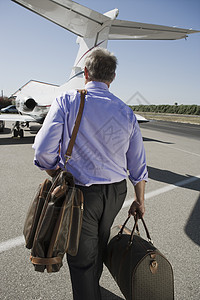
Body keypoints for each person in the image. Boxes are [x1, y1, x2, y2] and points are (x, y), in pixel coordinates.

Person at [33, 48, 148, 300]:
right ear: (113, 77)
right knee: (96, 246)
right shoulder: (126, 111)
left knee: (82, 259)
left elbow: (42, 152)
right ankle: (92, 289)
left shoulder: (67, 101)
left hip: (81, 195)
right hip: (116, 193)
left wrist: (57, 174)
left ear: (86, 73)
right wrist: (140, 200)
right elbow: (138, 165)